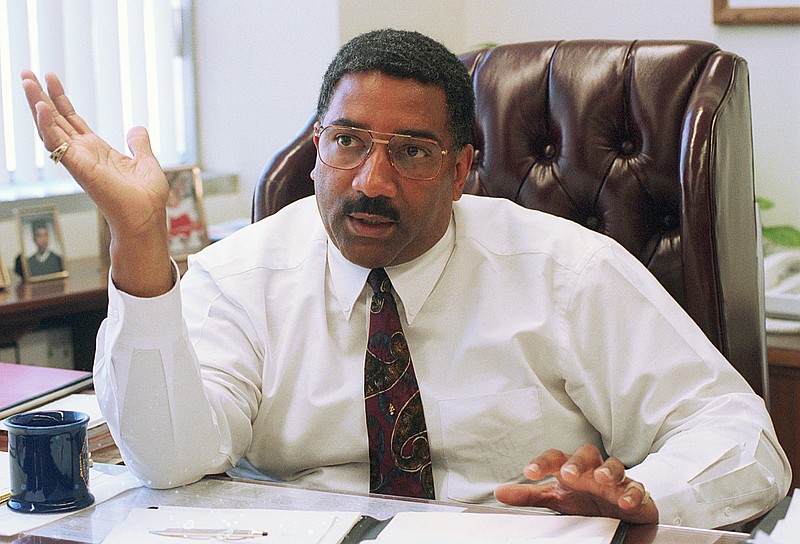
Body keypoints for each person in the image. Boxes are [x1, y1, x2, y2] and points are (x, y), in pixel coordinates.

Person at [21, 29, 789, 530]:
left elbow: (742, 438)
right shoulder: (241, 277)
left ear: (462, 172)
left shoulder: (567, 272)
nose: (372, 182)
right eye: (349, 143)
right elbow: (167, 459)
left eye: (413, 152)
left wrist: (639, 501)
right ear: (317, 148)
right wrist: (139, 239)